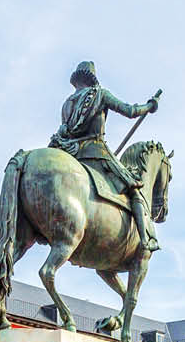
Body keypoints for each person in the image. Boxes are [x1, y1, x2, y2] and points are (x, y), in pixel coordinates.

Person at [49, 61, 161, 253]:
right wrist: (149, 106)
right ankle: (146, 239)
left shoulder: (67, 103)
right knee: (134, 186)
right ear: (92, 78)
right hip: (95, 151)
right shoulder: (100, 93)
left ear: (77, 80)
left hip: (72, 154)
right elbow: (130, 111)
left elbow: (67, 132)